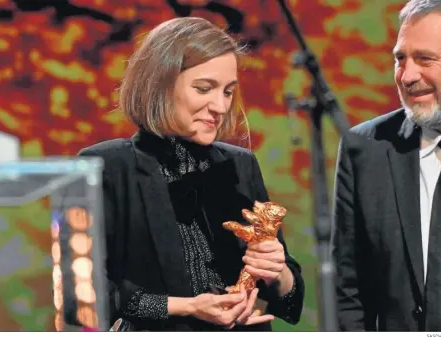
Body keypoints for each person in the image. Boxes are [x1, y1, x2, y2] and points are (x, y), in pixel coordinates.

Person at [77, 17, 304, 331]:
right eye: (204, 89)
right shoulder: (105, 167)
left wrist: (278, 272)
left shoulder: (239, 165)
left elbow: (290, 299)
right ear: (160, 84)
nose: (221, 106)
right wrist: (188, 307)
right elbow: (84, 293)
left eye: (227, 92)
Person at [332, 0, 441, 332]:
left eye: (425, 59)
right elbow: (347, 289)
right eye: (400, 59)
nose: (408, 76)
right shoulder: (366, 148)